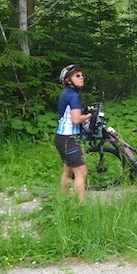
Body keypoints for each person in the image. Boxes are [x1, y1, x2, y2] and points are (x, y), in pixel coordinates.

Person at [54, 64, 92, 202]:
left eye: (82, 75)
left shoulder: (67, 93)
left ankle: (63, 201)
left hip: (61, 138)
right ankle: (82, 207)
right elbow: (76, 119)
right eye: (77, 76)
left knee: (68, 171)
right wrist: (89, 115)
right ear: (68, 80)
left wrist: (84, 112)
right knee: (81, 172)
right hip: (69, 139)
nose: (81, 78)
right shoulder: (73, 95)